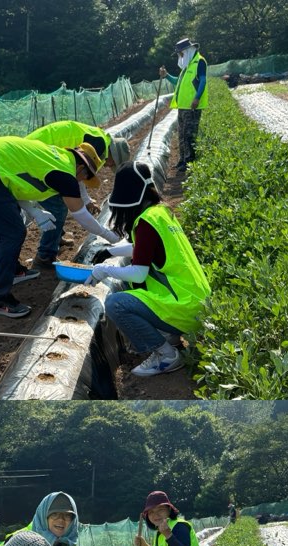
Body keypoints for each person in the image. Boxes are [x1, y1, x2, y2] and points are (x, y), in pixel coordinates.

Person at [0, 136, 122, 318]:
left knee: (13, 228)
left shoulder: (58, 158)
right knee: (11, 233)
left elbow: (14, 183)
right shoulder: (65, 174)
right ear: (81, 168)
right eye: (86, 177)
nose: (83, 182)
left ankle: (14, 270)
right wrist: (109, 236)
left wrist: (35, 211)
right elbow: (81, 215)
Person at [89, 160, 210, 376]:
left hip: (185, 308)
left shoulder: (145, 222)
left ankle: (166, 355)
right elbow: (147, 248)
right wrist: (111, 252)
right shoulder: (161, 212)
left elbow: (139, 271)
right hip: (197, 301)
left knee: (116, 303)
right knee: (131, 285)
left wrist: (103, 270)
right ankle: (170, 335)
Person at [24, 122, 130, 271]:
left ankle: (56, 240)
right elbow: (75, 172)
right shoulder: (98, 146)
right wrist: (107, 234)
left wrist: (86, 200)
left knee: (61, 201)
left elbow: (76, 171)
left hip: (44, 154)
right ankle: (45, 256)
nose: (108, 166)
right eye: (113, 163)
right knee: (58, 209)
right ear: (112, 154)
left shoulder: (100, 142)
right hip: (35, 155)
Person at [168, 37, 208, 172]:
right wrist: (166, 75)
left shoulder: (199, 62)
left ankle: (190, 162)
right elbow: (177, 83)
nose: (179, 56)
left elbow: (203, 81)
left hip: (192, 107)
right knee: (182, 134)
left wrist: (196, 98)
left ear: (188, 51)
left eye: (181, 53)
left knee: (189, 134)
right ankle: (182, 160)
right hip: (182, 107)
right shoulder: (186, 67)